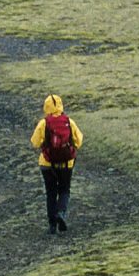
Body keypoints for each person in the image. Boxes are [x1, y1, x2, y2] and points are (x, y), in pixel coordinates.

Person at [29, 93, 82, 234]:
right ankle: (61, 213)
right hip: (67, 163)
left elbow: (35, 142)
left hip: (47, 163)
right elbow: (79, 141)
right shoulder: (69, 122)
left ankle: (52, 225)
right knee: (64, 190)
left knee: (51, 193)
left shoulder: (44, 123)